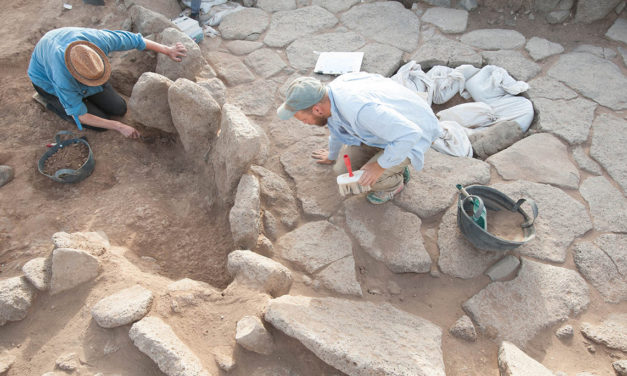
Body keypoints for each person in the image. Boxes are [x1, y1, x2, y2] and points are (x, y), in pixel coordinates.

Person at [276, 73, 441, 204]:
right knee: (342, 172)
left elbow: (410, 134)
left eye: (304, 119)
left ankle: (394, 182)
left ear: (317, 110)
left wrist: (380, 166)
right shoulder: (329, 95)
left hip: (414, 134)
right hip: (384, 130)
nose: (305, 124)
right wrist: (332, 155)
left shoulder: (360, 111)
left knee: (367, 181)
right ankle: (392, 161)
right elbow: (336, 130)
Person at [28, 27, 188, 138]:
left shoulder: (98, 41)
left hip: (66, 50)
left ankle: (84, 97)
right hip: (46, 82)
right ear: (77, 77)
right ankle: (52, 102)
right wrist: (119, 127)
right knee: (98, 124)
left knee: (119, 108)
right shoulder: (62, 77)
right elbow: (81, 115)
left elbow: (134, 40)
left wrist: (167, 50)